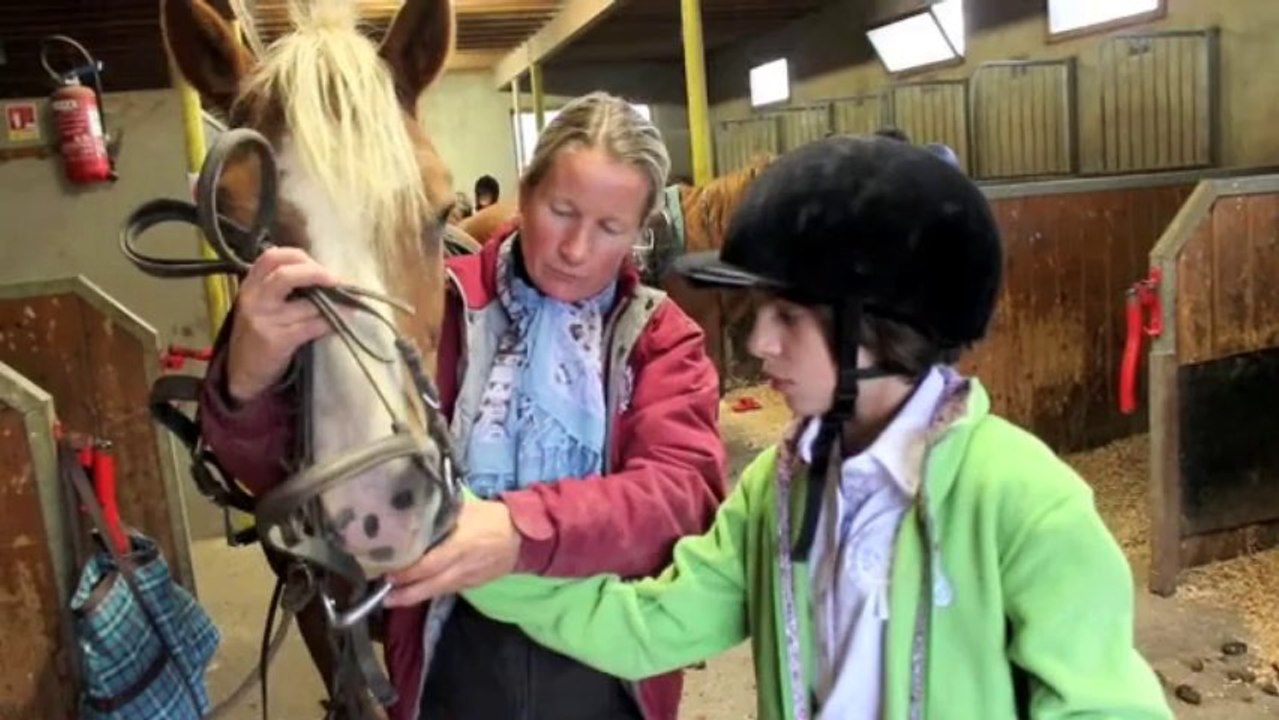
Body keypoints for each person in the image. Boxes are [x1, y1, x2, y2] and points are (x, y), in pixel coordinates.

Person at [462, 135, 1174, 720]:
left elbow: (1107, 708)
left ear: (883, 326)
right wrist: (476, 553)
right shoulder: (774, 493)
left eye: (789, 317)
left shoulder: (1023, 501)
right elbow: (653, 624)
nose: (758, 343)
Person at [197, 91, 727, 720]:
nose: (576, 249)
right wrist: (250, 374)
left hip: (609, 678)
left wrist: (517, 532)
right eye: (561, 210)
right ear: (524, 193)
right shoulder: (434, 308)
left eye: (610, 228)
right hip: (446, 658)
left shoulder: (659, 338)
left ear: (639, 234)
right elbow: (289, 472)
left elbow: (680, 496)